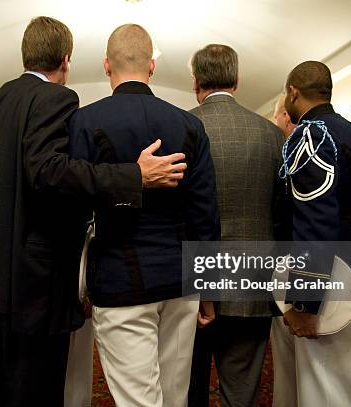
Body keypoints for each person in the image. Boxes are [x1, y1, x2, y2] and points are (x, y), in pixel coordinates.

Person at [0, 17, 188, 406]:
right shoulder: (57, 99)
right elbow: (48, 172)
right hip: (29, 281)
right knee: (31, 389)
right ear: (66, 61)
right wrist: (133, 176)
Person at [68, 24, 219, 407]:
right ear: (152, 66)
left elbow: (72, 209)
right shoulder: (189, 124)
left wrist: (76, 285)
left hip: (121, 278)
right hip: (181, 278)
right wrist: (208, 290)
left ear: (106, 66)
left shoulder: (85, 122)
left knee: (138, 400)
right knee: (174, 396)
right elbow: (205, 214)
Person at [270, 61, 351, 407]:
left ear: (293, 92)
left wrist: (306, 302)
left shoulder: (313, 133)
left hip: (336, 284)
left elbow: (314, 220)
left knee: (327, 396)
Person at [186, 44, 284, 407]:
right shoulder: (272, 134)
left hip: (194, 276)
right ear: (238, 80)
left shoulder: (183, 127)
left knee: (187, 384)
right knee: (241, 388)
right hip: (254, 277)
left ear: (195, 80)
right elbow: (281, 211)